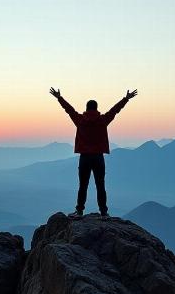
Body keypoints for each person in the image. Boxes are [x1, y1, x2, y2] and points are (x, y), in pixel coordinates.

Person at [49, 87, 138, 218]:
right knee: (100, 185)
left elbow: (69, 110)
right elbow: (115, 110)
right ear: (96, 109)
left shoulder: (80, 120)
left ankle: (79, 211)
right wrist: (126, 99)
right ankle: (104, 213)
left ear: (86, 108)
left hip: (84, 157)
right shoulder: (103, 120)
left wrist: (59, 98)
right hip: (98, 157)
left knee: (83, 186)